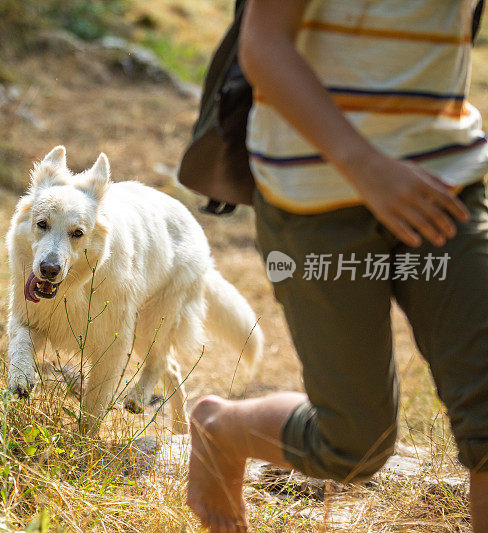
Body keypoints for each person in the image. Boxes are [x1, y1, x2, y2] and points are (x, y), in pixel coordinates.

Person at [186, 1, 488, 531]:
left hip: (446, 186)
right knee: (356, 444)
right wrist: (366, 165)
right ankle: (222, 427)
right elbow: (264, 42)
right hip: (315, 201)